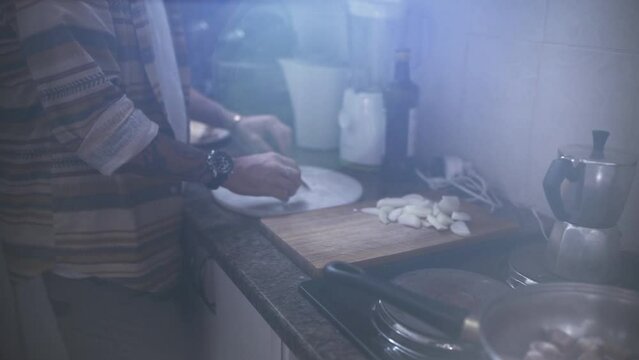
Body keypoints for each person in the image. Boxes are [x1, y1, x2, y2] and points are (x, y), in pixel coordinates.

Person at [0, 1, 302, 359]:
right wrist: (229, 169)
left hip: (138, 253)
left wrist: (233, 120)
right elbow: (101, 124)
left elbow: (151, 84)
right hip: (86, 261)